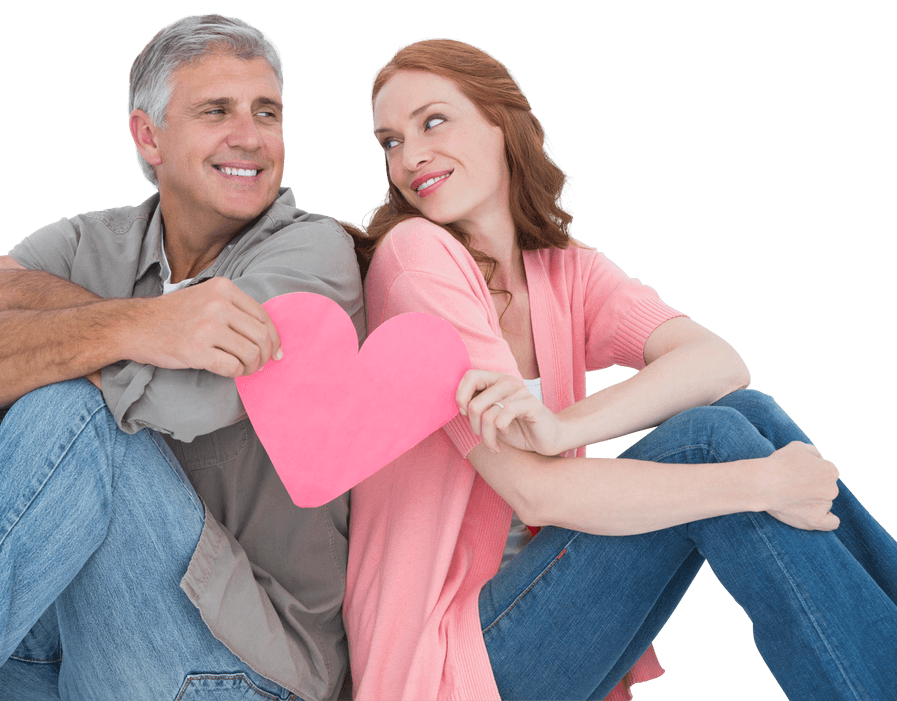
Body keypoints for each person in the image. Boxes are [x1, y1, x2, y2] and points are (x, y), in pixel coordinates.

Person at [0, 13, 362, 701]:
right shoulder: (88, 242)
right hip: (83, 646)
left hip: (241, 673)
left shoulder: (312, 255)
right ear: (148, 134)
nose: (250, 136)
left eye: (267, 111)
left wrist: (33, 302)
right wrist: (148, 324)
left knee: (74, 407)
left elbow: (194, 395)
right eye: (217, 110)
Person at [342, 38, 897, 701]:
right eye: (389, 141)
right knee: (712, 444)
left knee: (745, 416)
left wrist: (561, 424)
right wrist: (759, 482)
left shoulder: (563, 268)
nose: (409, 156)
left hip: (534, 624)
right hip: (447, 666)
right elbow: (536, 493)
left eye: (432, 121)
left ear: (503, 121)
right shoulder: (415, 259)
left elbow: (722, 364)